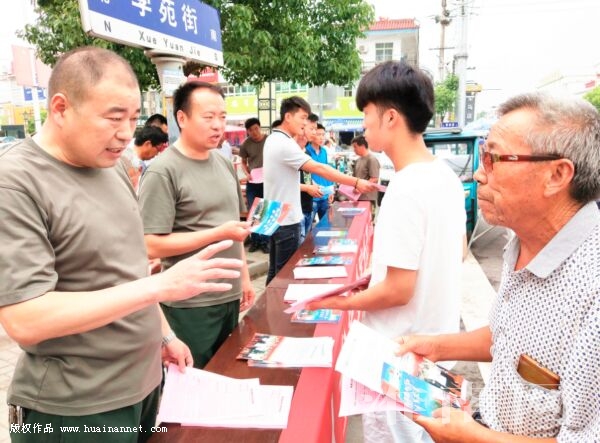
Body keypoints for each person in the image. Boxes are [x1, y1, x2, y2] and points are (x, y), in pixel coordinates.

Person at [0, 46, 242, 442]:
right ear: (60, 108)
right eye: (114, 118)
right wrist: (162, 286)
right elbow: (26, 320)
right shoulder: (16, 181)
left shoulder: (112, 169)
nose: (127, 133)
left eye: (133, 117)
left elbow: (130, 272)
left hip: (144, 386)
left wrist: (164, 335)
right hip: (78, 407)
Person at [397, 92, 600, 442]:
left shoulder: (591, 290)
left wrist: (469, 437)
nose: (479, 174)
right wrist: (437, 347)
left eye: (493, 158)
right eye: (482, 156)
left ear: (557, 174)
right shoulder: (522, 241)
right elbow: (506, 335)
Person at [308, 60, 466, 442]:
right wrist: (375, 276)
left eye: (366, 114)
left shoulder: (405, 187)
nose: (363, 125)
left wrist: (336, 301)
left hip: (397, 359)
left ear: (390, 117)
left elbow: (398, 290)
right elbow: (455, 251)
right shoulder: (445, 176)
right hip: (436, 350)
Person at [138, 80, 255, 369]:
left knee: (225, 372)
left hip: (229, 295)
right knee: (194, 378)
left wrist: (244, 277)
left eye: (222, 117)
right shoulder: (163, 171)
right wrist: (217, 233)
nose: (218, 125)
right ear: (182, 118)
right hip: (190, 302)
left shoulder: (223, 162)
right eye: (208, 117)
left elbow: (233, 227)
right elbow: (150, 244)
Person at [263, 96, 378, 284]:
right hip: (286, 220)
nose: (305, 124)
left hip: (274, 215)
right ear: (288, 117)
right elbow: (319, 168)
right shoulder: (285, 143)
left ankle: (268, 302)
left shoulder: (273, 138)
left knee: (275, 273)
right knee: (284, 277)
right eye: (303, 118)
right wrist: (356, 182)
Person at [239, 117, 269, 253]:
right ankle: (255, 240)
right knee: (254, 211)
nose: (254, 132)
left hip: (267, 181)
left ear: (260, 127)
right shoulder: (245, 144)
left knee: (265, 210)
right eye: (251, 130)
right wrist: (247, 173)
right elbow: (243, 162)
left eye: (256, 128)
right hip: (253, 182)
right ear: (247, 131)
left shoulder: (269, 140)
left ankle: (265, 241)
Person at [306, 120, 335, 224]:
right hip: (312, 197)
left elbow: (327, 172)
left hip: (325, 196)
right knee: (308, 227)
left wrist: (331, 190)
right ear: (312, 134)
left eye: (323, 135)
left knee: (326, 227)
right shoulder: (306, 151)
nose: (322, 137)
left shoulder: (324, 152)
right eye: (319, 134)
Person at [122, 125, 169, 190]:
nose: (157, 154)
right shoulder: (124, 156)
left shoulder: (140, 159)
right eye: (158, 149)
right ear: (148, 144)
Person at [351, 135, 380, 217]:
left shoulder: (371, 159)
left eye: (355, 147)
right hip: (358, 197)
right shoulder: (358, 160)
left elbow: (374, 178)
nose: (354, 150)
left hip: (368, 198)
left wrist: (360, 188)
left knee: (368, 221)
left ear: (363, 146)